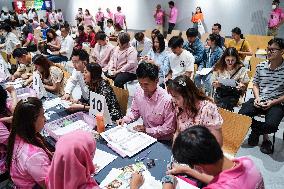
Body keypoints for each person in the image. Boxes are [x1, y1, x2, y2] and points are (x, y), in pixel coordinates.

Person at [165, 126, 264, 189]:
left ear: (199, 167)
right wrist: (185, 169)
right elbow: (222, 179)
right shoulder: (248, 162)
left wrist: (168, 182)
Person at [239, 38, 284, 154]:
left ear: (282, 51)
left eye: (273, 50)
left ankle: (258, 133)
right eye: (268, 49)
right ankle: (260, 133)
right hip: (260, 98)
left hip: (277, 102)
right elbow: (255, 84)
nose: (269, 52)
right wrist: (257, 97)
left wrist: (272, 102)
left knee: (272, 125)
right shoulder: (261, 66)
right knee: (242, 114)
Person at [117, 62, 176, 141]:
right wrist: (125, 119)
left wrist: (147, 130)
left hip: (162, 140)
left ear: (157, 81)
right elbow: (135, 111)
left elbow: (168, 128)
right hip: (145, 136)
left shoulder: (167, 100)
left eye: (146, 84)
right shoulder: (139, 91)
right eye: (140, 83)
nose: (143, 87)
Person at [6, 97, 53, 188]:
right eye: (42, 115)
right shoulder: (34, 156)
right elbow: (50, 185)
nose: (45, 119)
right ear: (32, 121)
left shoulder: (16, 133)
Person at [167, 75, 223, 145]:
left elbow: (217, 143)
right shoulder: (180, 107)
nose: (173, 100)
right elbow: (178, 132)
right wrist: (175, 149)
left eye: (176, 97)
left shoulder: (208, 109)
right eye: (172, 96)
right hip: (185, 148)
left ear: (188, 95)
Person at [0, 86, 17, 178]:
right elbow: (13, 142)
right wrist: (15, 122)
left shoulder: (3, 109)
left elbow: (14, 109)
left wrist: (13, 92)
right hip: (4, 157)